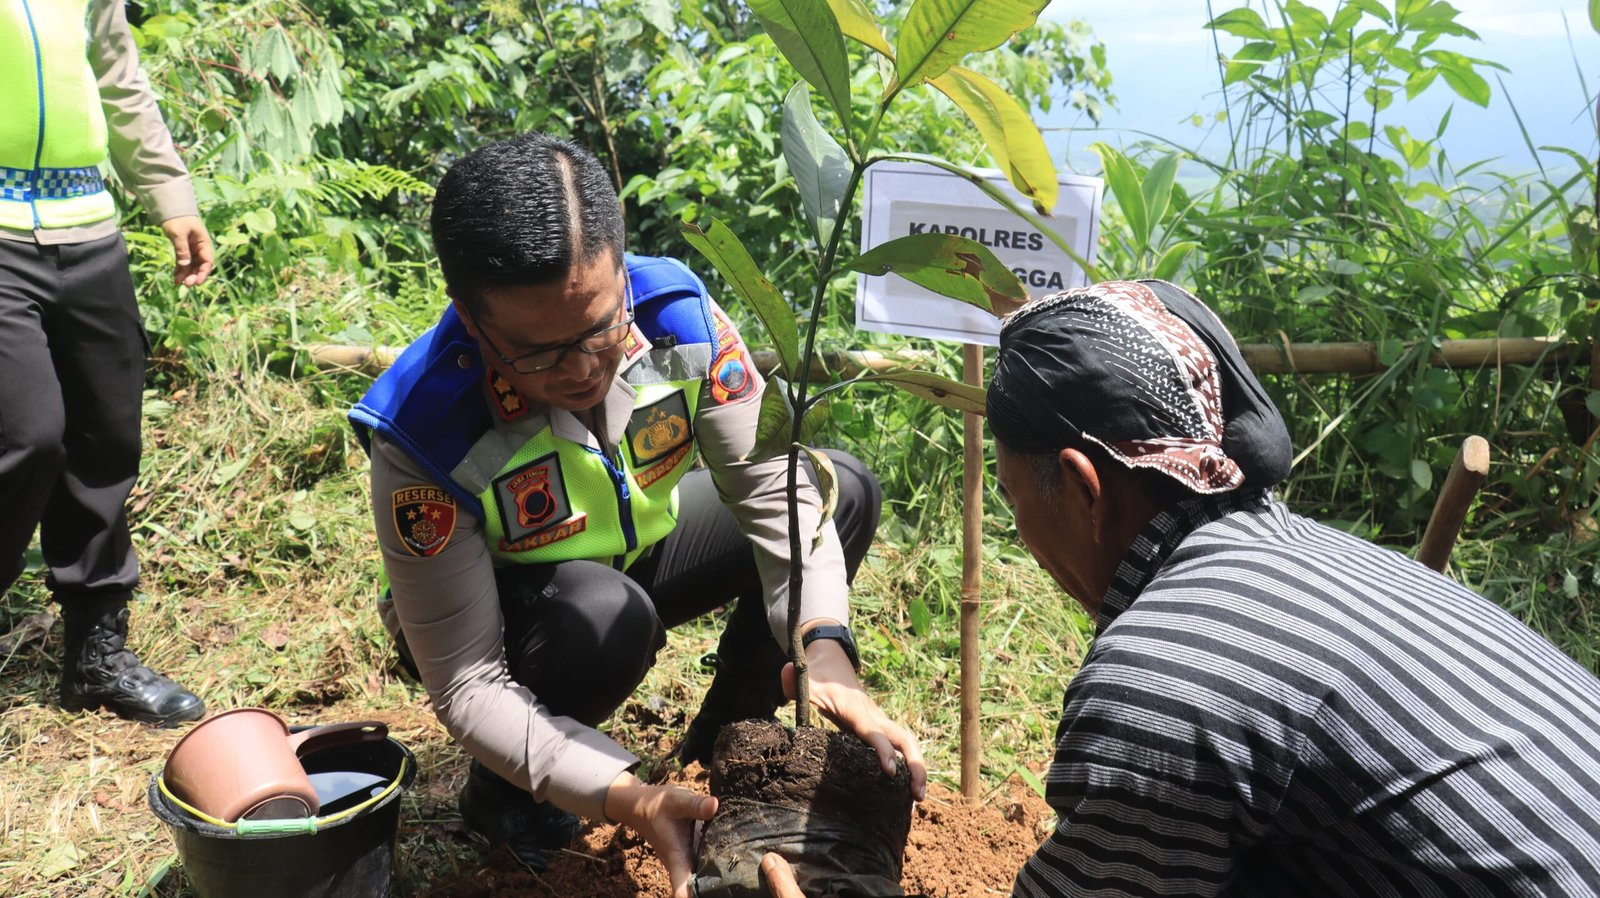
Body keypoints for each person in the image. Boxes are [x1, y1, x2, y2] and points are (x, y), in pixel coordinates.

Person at [764, 279, 1600, 896]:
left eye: (1015, 502)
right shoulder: (1326, 557)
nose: (1023, 535)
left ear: (1083, 489)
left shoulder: (1164, 677)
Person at [348, 132, 924, 896]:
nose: (584, 369)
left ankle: (731, 735)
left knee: (833, 489)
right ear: (471, 321)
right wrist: (625, 795)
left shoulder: (677, 317)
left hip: (636, 552)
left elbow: (770, 489)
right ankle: (509, 799)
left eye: (599, 328)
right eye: (539, 354)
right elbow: (469, 683)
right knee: (602, 617)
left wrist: (824, 648)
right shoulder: (427, 429)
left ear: (620, 269)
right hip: (526, 615)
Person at [1, 0, 213, 726]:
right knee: (26, 437)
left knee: (106, 437)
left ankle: (95, 657)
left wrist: (170, 194)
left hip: (88, 230)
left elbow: (120, 81)